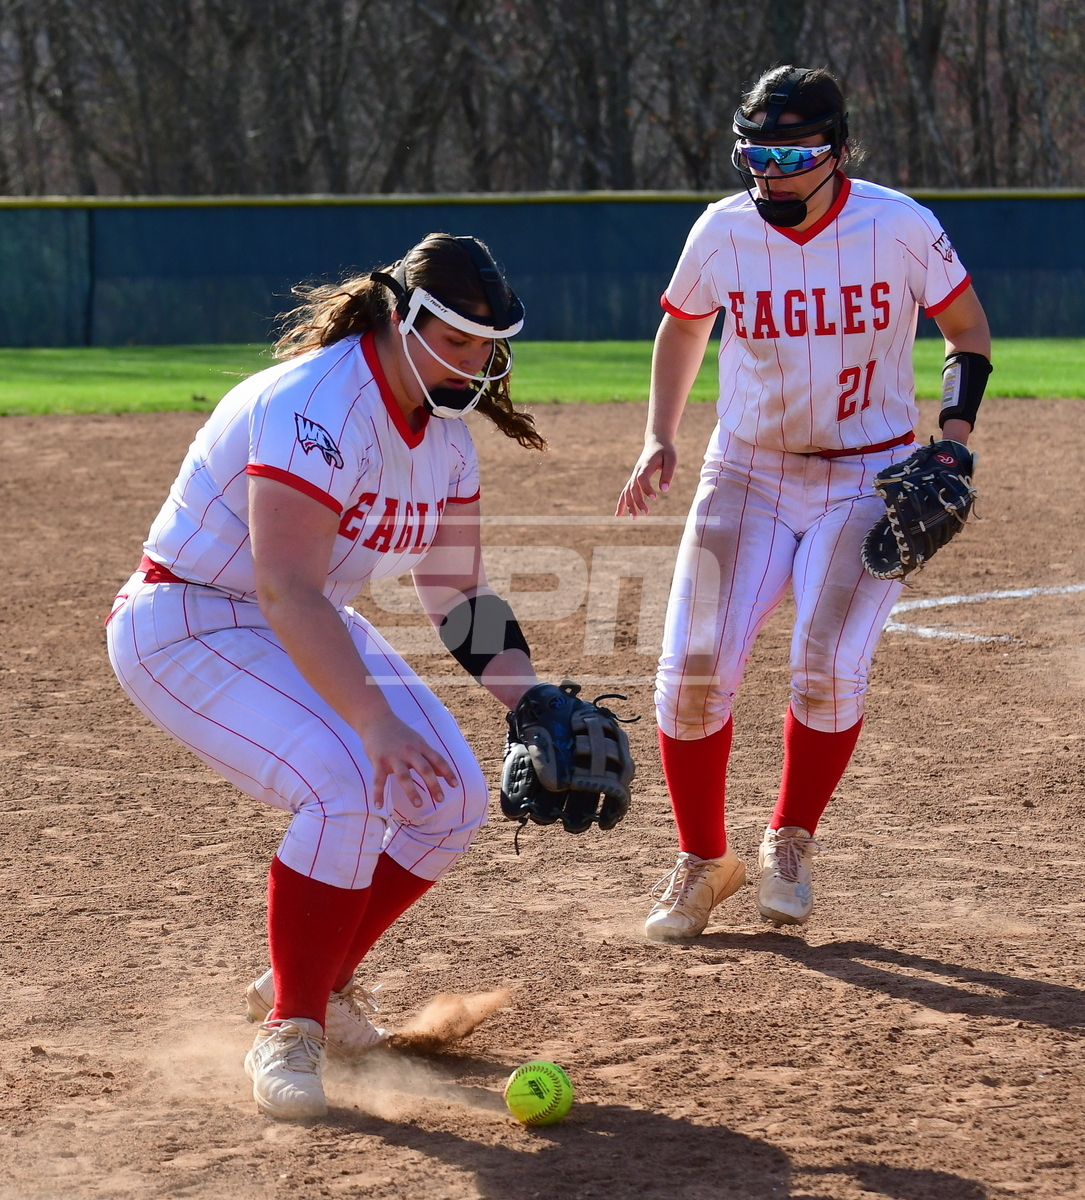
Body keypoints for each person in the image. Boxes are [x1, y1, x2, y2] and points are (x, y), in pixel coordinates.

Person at [107, 233, 548, 1119]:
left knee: (451, 797)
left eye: (487, 346)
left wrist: (531, 700)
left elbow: (458, 593)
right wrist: (374, 723)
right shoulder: (315, 403)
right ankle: (292, 1028)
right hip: (188, 618)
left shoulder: (447, 438)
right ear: (399, 318)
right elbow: (284, 586)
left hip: (302, 621)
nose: (474, 363)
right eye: (455, 341)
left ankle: (309, 980)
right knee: (347, 779)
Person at [616, 66, 992, 940]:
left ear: (838, 151)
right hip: (746, 470)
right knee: (692, 666)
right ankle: (703, 861)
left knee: (826, 666)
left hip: (866, 474)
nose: (770, 173)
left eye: (791, 155)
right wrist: (658, 433)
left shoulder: (897, 225)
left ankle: (788, 839)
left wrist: (952, 437)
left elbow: (965, 329)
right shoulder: (722, 230)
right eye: (755, 154)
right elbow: (683, 322)